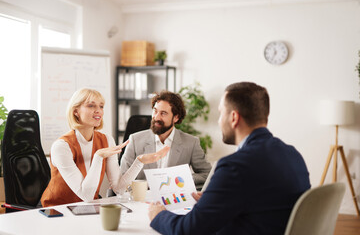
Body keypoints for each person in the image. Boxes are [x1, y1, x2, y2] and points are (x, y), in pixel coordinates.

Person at [148, 82, 311, 235]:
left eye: (220, 114)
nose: (219, 122)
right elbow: (263, 204)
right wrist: (216, 198)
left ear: (234, 118)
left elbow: (189, 230)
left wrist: (158, 215)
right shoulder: (292, 155)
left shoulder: (235, 167)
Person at [41, 88, 169, 207]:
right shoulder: (62, 146)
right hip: (59, 210)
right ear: (76, 111)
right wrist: (98, 157)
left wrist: (139, 162)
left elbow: (119, 188)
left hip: (89, 209)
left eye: (101, 106)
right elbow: (86, 195)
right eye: (91, 105)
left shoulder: (107, 140)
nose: (98, 110)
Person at [119, 90, 211, 186]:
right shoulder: (135, 140)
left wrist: (183, 178)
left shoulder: (191, 143)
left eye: (163, 113)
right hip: (142, 198)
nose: (156, 117)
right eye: (155, 111)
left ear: (176, 117)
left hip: (174, 199)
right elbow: (122, 178)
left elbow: (207, 174)